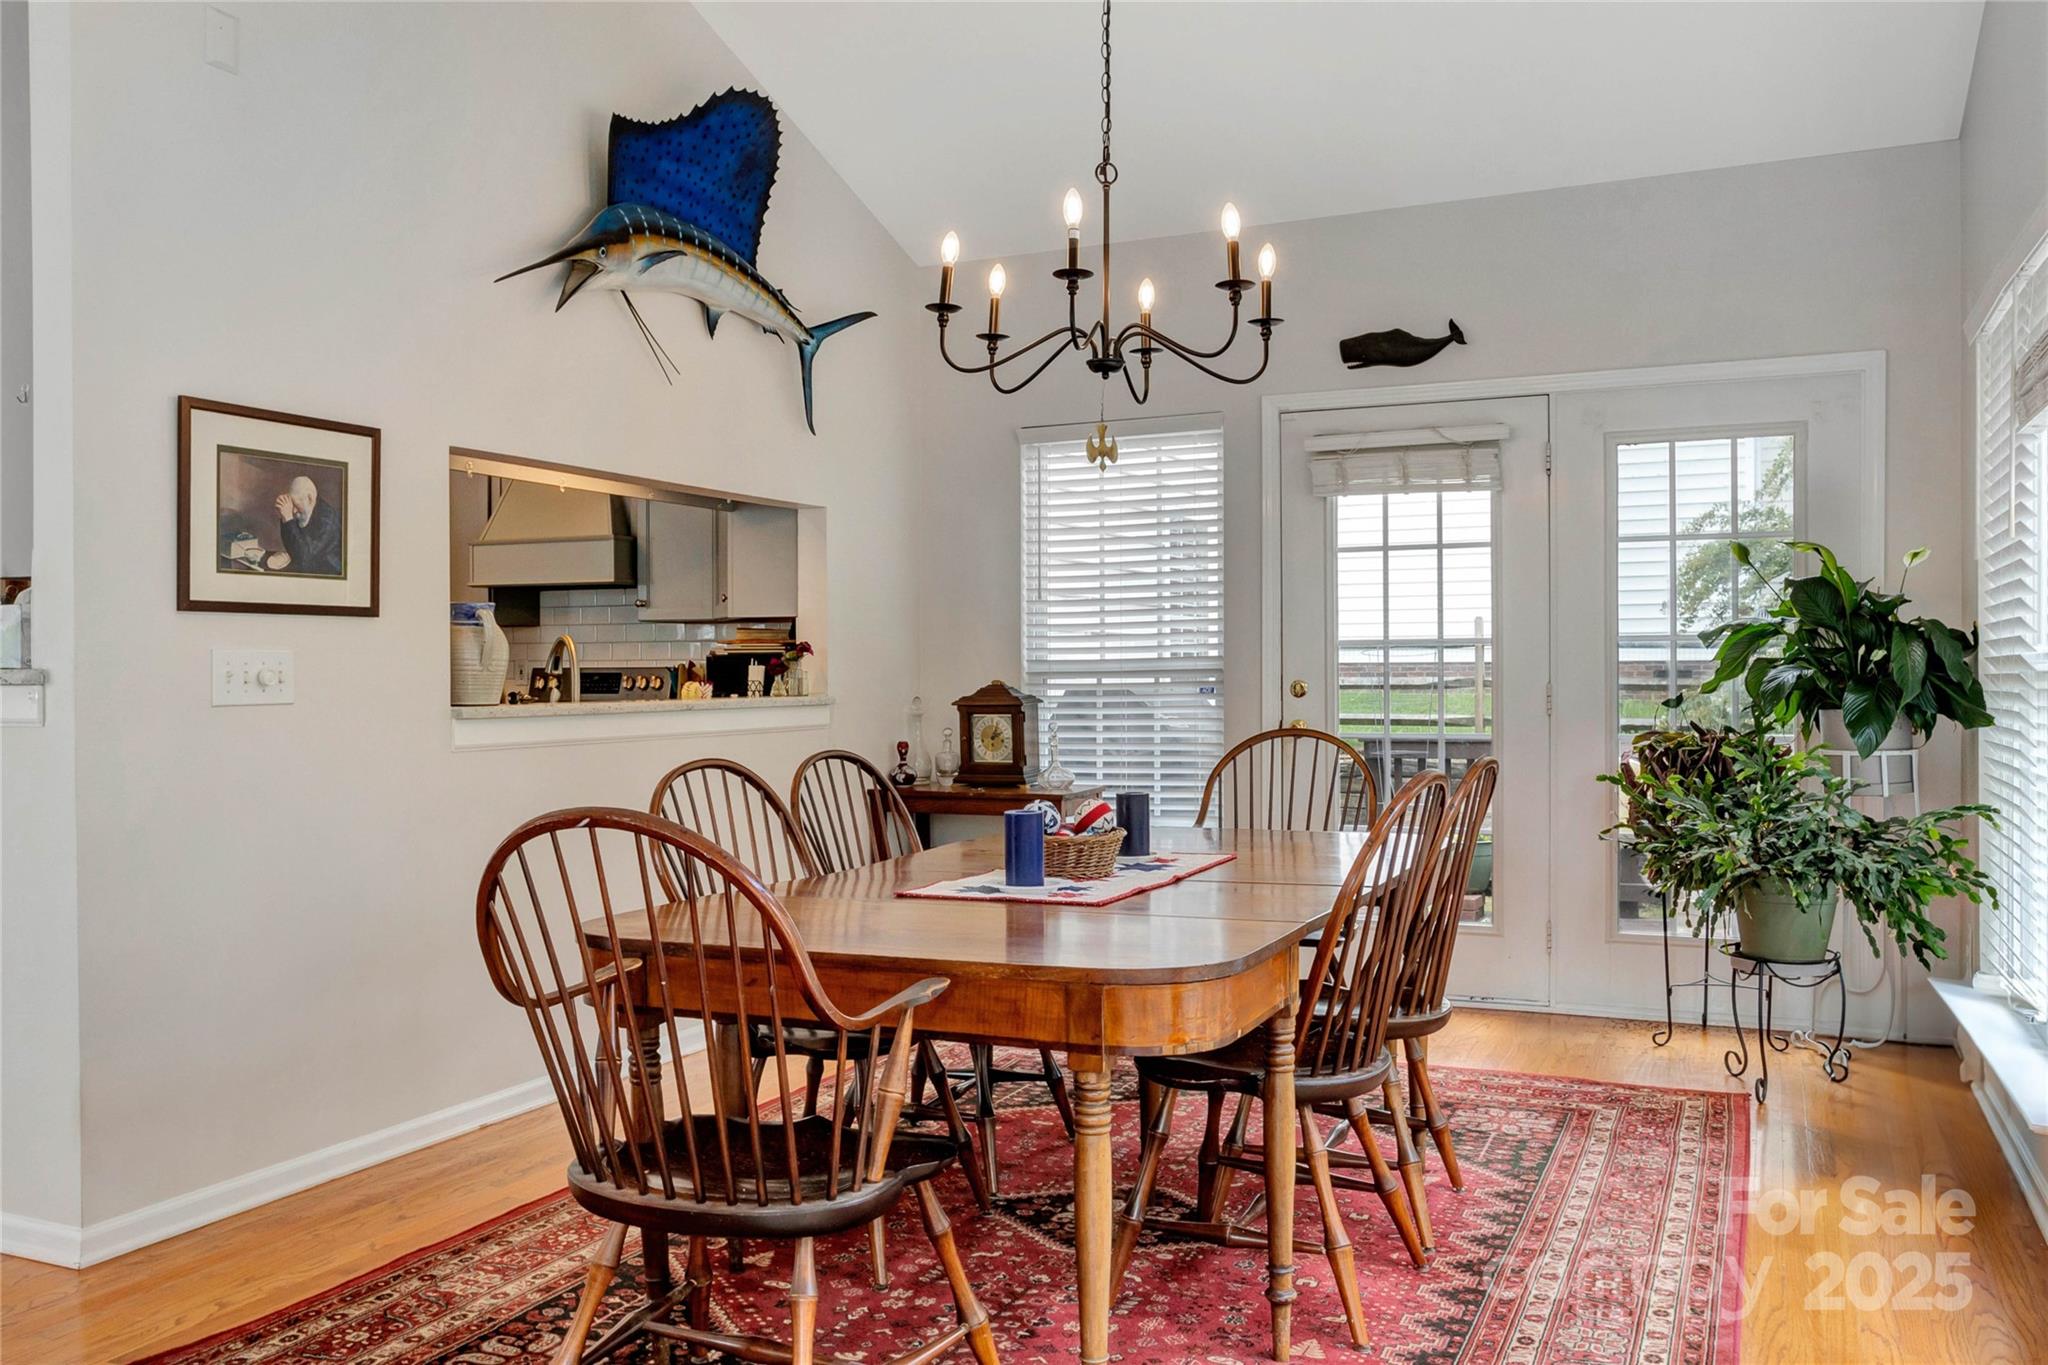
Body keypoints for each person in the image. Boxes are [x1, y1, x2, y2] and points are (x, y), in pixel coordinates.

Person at [267, 475, 342, 575]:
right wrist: (284, 518)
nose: (293, 510)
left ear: (310, 498)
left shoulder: (327, 520)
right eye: (292, 505)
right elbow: (293, 547)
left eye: (296, 504)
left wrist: (288, 519)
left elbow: (304, 558)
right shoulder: (306, 510)